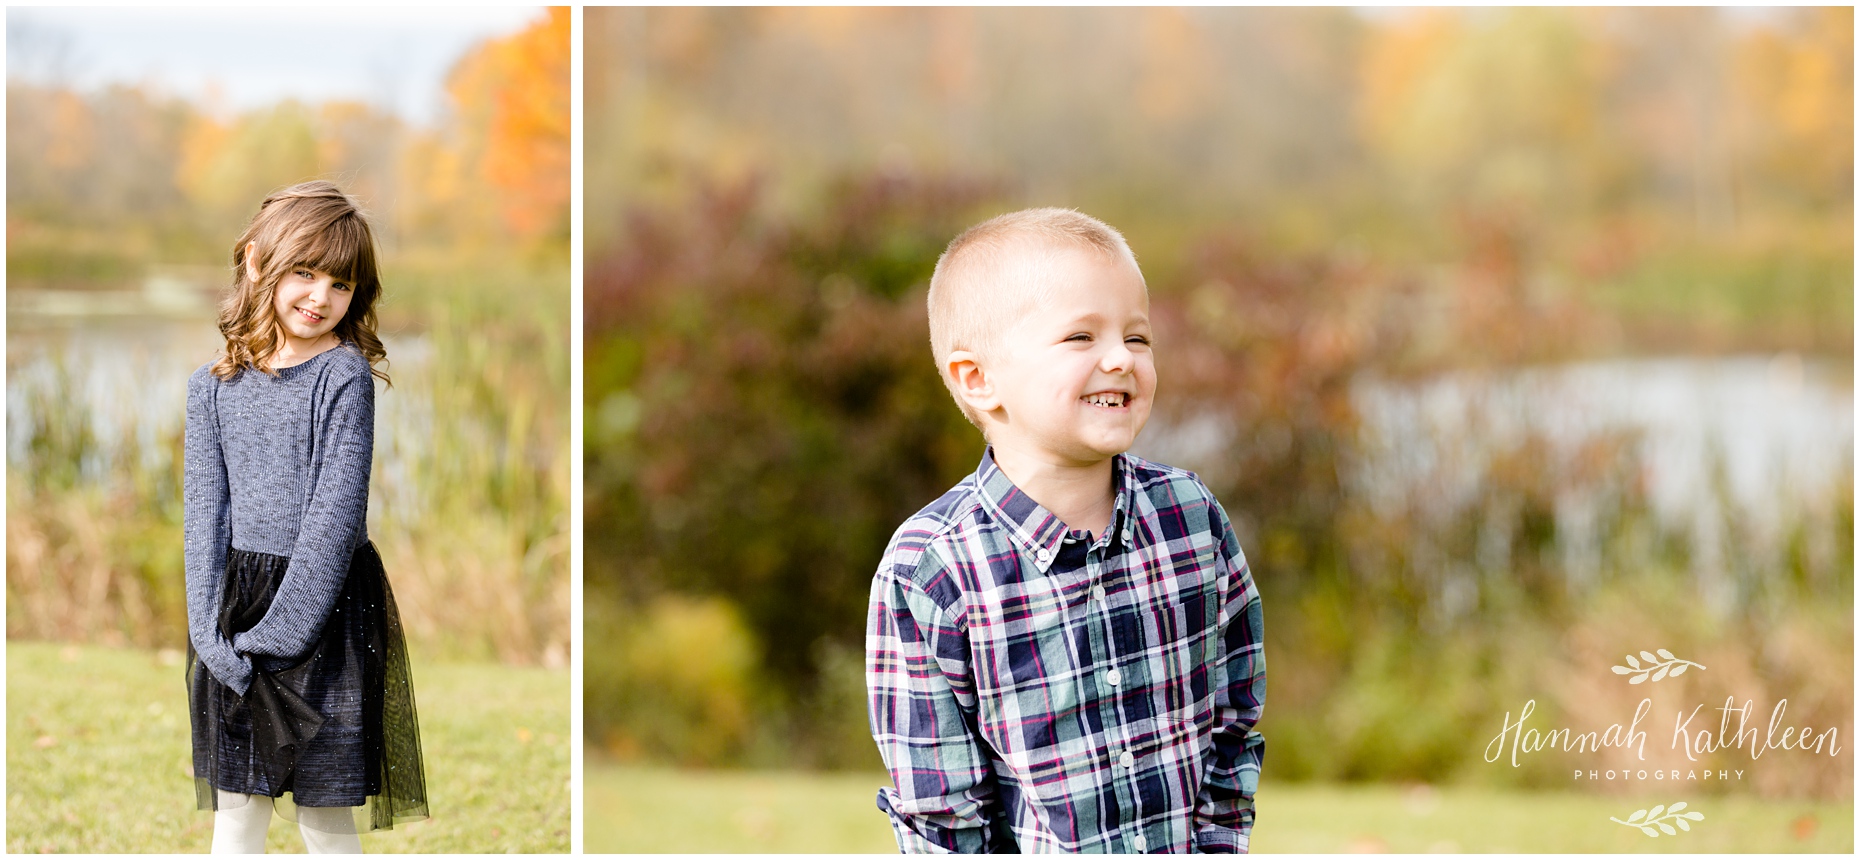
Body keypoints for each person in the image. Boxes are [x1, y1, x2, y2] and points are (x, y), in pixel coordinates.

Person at [865, 208, 1266, 853]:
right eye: (1081, 338)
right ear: (979, 379)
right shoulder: (932, 570)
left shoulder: (1190, 519)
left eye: (1137, 338)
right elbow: (942, 817)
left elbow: (1232, 725)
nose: (1120, 359)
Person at [184, 181, 428, 854]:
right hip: (236, 612)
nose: (321, 297)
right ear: (258, 262)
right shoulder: (211, 386)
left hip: (323, 617)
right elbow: (205, 517)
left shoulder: (342, 376)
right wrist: (210, 634)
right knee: (237, 808)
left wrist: (276, 639)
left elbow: (334, 520)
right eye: (305, 272)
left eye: (342, 284)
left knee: (325, 815)